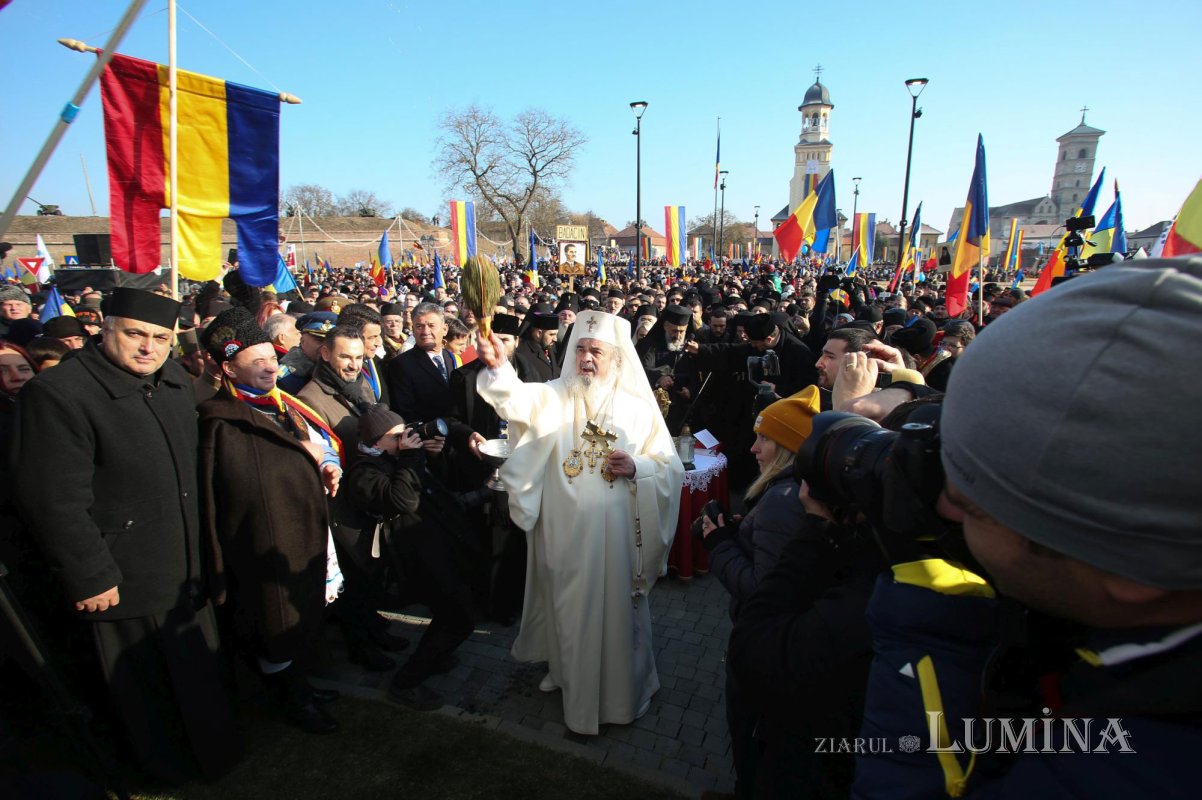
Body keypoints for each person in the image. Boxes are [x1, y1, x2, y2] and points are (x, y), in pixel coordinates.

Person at [853, 258, 1202, 797]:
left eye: (976, 506)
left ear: (1126, 566)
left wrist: (928, 645)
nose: (943, 506)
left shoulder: (1111, 773)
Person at [12, 287, 240, 782]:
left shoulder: (173, 379)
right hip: (123, 574)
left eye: (161, 338)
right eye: (135, 334)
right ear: (105, 329)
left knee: (198, 673)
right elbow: (52, 499)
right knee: (146, 688)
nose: (148, 348)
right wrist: (89, 573)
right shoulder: (58, 394)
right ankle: (164, 769)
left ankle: (216, 754)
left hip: (185, 562)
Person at [474, 309, 684, 735]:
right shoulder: (556, 394)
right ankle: (569, 676)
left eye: (597, 351)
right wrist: (498, 368)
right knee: (566, 607)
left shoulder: (638, 410)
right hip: (562, 530)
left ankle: (618, 695)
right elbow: (518, 400)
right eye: (582, 349)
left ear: (617, 358)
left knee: (616, 614)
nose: (587, 358)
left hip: (617, 538)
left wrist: (638, 465)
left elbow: (670, 467)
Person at [197, 307, 344, 735]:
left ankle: (300, 684)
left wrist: (323, 468)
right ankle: (291, 698)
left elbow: (310, 451)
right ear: (228, 367)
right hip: (261, 540)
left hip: (299, 528)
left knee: (297, 615)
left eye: (271, 358)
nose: (269, 367)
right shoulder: (222, 420)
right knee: (272, 623)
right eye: (256, 360)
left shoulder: (283, 405)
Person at [699, 386, 821, 797]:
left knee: (752, 741)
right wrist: (739, 535)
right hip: (783, 646)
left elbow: (760, 590)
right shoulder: (788, 491)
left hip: (766, 647)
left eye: (764, 438)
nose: (753, 448)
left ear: (787, 447)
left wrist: (718, 545)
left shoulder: (782, 501)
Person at [344, 405, 475, 710]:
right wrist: (412, 456)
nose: (406, 438)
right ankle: (406, 683)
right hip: (412, 564)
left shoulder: (396, 458)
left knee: (450, 613)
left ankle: (435, 656)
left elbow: (432, 487)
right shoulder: (363, 473)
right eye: (396, 436)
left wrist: (431, 455)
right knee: (460, 618)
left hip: (433, 552)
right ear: (376, 443)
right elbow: (403, 498)